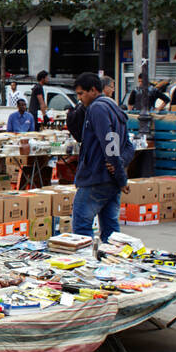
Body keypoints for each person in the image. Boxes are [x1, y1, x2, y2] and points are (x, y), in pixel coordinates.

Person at [72, 72, 133, 244]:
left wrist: (120, 174)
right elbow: (128, 146)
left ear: (92, 90)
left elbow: (110, 144)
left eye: (81, 94)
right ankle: (112, 266)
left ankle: (86, 265)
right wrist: (120, 172)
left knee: (81, 228)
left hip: (96, 178)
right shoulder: (115, 108)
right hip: (110, 180)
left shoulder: (97, 108)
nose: (80, 99)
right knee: (111, 232)